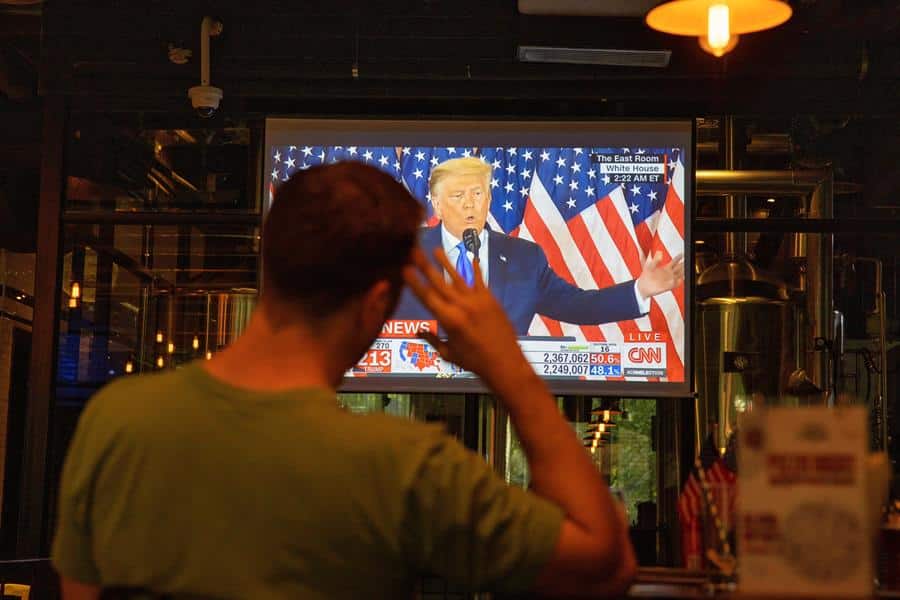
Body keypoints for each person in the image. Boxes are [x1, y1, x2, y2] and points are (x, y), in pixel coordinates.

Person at [52, 162, 636, 599]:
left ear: (269, 264)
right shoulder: (405, 469)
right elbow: (604, 562)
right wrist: (511, 370)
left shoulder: (115, 417)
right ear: (378, 304)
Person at [394, 156, 684, 334]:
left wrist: (641, 289)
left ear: (489, 200)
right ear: (437, 206)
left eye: (478, 193)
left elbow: (578, 306)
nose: (470, 203)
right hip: (423, 380)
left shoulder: (524, 257)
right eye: (458, 195)